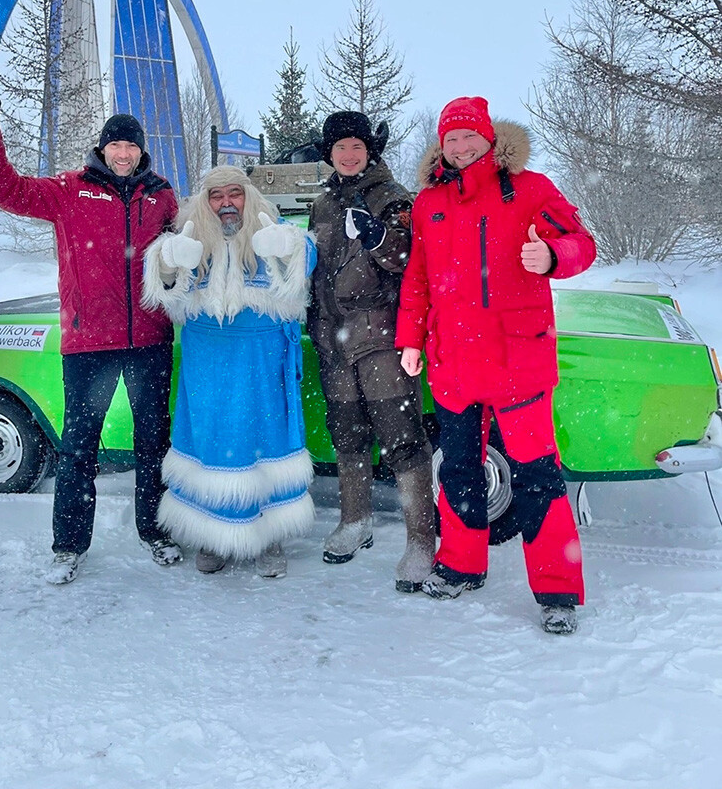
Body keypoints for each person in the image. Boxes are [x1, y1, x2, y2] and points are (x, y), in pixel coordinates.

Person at [0, 82, 180, 585]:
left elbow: (190, 248)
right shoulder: (69, 191)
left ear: (142, 151)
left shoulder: (162, 196)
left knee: (154, 444)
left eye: (132, 145)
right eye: (116, 144)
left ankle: (157, 532)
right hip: (89, 345)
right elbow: (7, 191)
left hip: (150, 339)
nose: (123, 153)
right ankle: (68, 545)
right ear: (103, 147)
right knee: (79, 447)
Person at [396, 96, 597, 634]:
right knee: (459, 469)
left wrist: (553, 257)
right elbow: (417, 278)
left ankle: (558, 590)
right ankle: (461, 565)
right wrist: (410, 339)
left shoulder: (530, 189)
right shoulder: (429, 203)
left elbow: (582, 243)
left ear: (489, 138)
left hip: (517, 361)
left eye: (469, 137)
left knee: (536, 474)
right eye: (451, 139)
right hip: (452, 362)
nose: (460, 148)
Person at [142, 165, 316, 577]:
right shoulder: (190, 235)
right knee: (211, 445)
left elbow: (306, 259)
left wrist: (288, 245)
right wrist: (167, 263)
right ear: (205, 201)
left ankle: (269, 537)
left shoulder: (269, 226)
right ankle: (212, 536)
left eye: (233, 194)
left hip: (262, 362)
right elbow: (167, 291)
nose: (226, 204)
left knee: (265, 443)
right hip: (208, 367)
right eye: (216, 196)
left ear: (247, 196)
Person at [308, 111, 435, 593]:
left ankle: (421, 540)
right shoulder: (321, 206)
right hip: (332, 340)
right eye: (339, 147)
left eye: (356, 146)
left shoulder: (392, 197)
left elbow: (411, 262)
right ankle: (354, 520)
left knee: (402, 438)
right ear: (329, 154)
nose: (348, 154)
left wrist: (382, 238)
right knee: (348, 436)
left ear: (369, 151)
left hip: (380, 338)